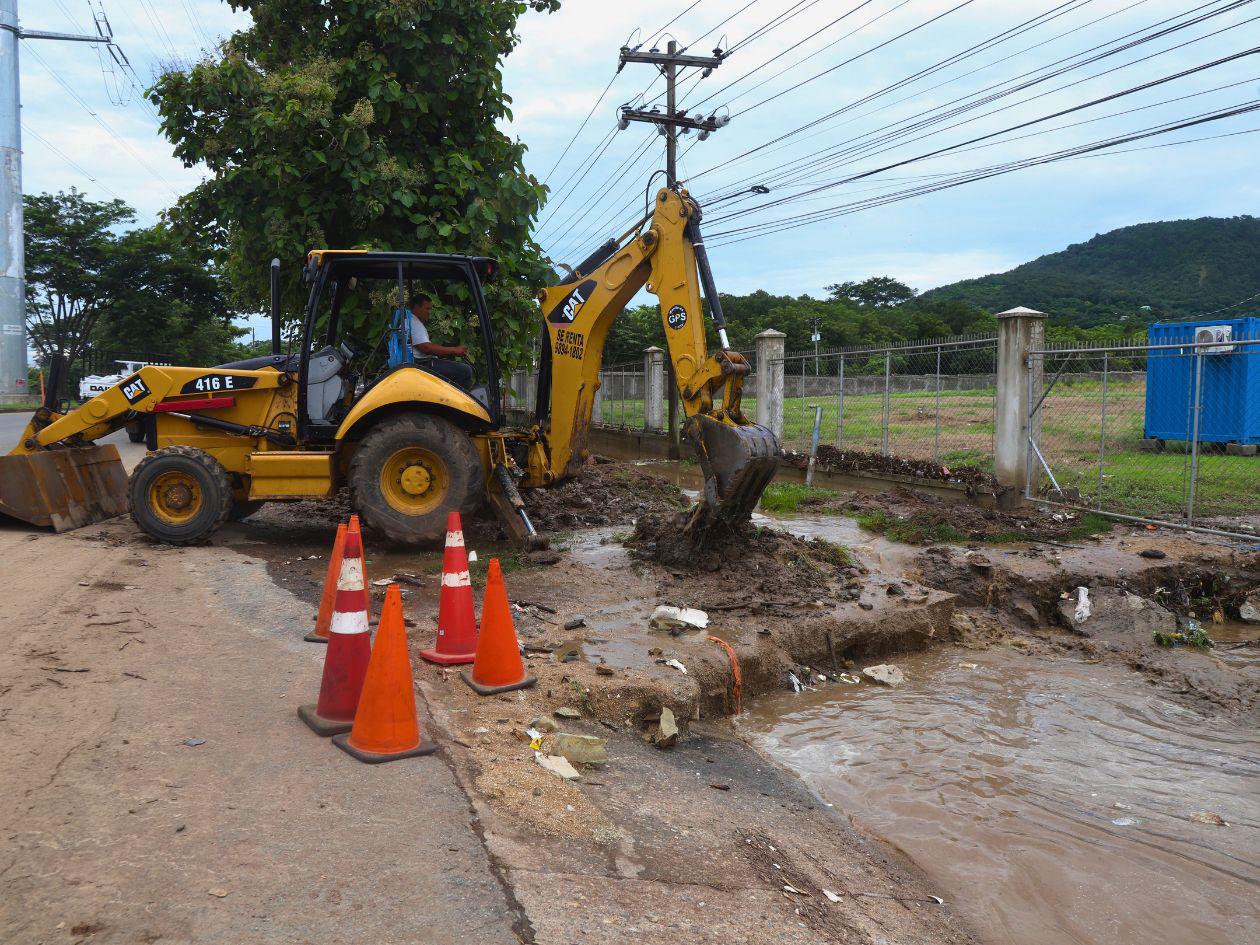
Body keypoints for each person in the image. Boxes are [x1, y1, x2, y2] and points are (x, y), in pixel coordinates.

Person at [406, 295, 474, 389]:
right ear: (417, 307)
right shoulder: (414, 323)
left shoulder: (408, 320)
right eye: (427, 309)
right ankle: (452, 401)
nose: (429, 312)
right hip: (423, 365)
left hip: (420, 363)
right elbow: (426, 348)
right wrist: (454, 350)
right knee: (465, 371)